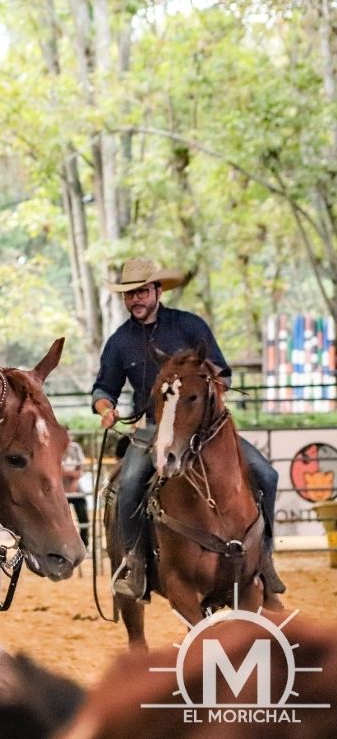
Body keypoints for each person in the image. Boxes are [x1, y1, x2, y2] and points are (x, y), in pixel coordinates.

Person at [91, 257, 284, 602]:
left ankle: (264, 560)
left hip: (207, 430)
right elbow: (104, 388)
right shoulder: (120, 342)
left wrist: (204, 384)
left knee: (265, 474)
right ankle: (134, 563)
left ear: (157, 291)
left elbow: (223, 373)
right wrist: (105, 409)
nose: (135, 299)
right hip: (153, 430)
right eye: (129, 294)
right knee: (129, 485)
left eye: (141, 292)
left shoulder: (190, 326)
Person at [62, 438, 89, 547]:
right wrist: (73, 474)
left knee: (84, 518)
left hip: (76, 489)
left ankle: (84, 545)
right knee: (63, 521)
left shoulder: (75, 448)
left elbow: (80, 470)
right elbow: (57, 471)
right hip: (62, 490)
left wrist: (73, 480)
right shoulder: (56, 447)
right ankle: (65, 545)